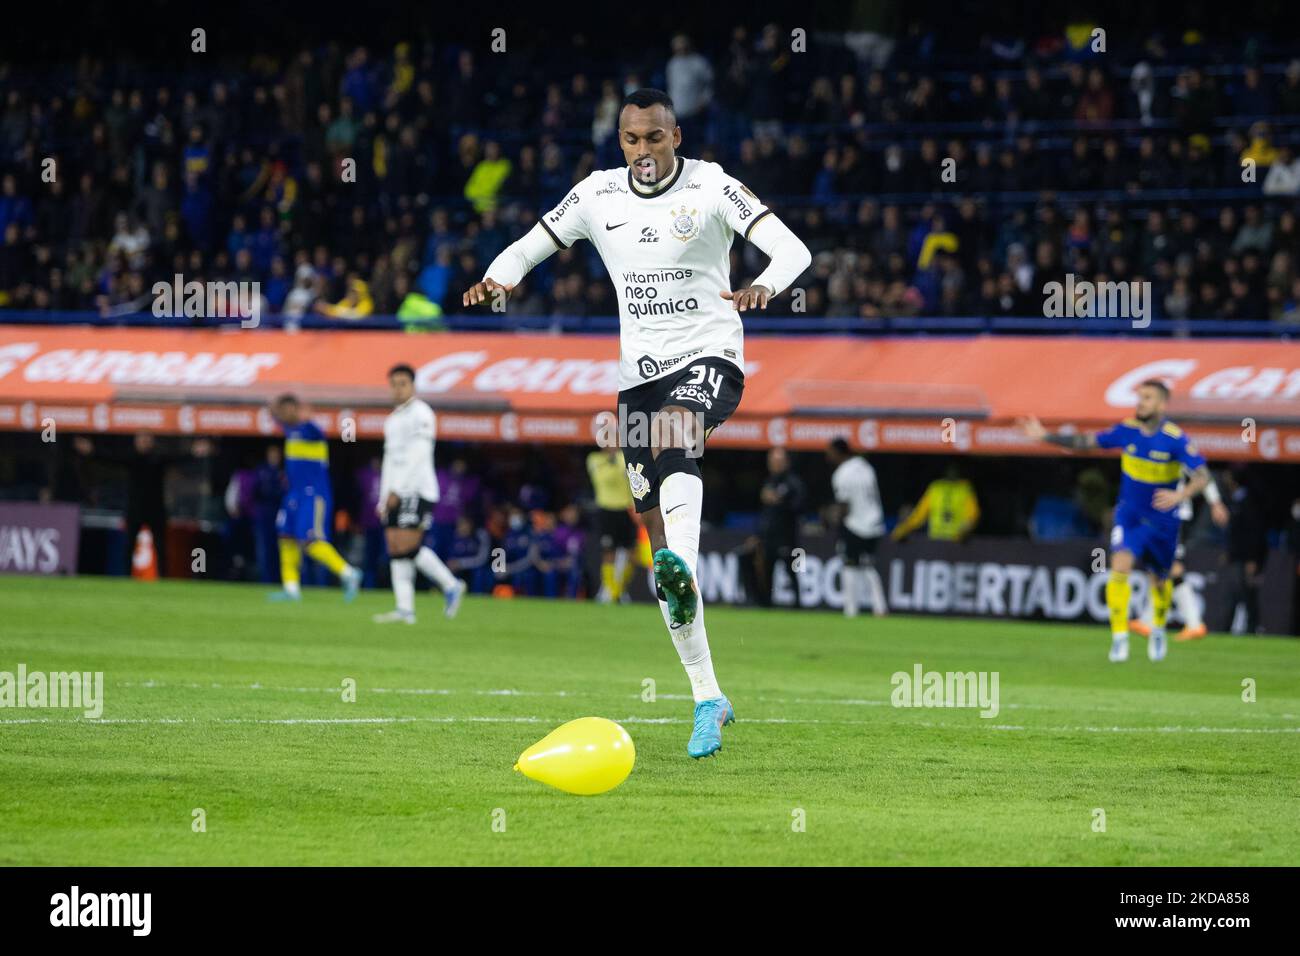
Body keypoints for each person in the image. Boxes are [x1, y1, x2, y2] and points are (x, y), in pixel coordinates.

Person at [464, 87, 811, 758]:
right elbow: (530, 245)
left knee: (679, 435)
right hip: (636, 382)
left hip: (710, 353)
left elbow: (792, 250)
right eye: (631, 139)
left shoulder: (713, 187)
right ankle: (707, 694)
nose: (643, 150)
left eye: (654, 137)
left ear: (675, 136)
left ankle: (684, 552)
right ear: (618, 142)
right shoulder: (597, 196)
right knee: (652, 537)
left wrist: (767, 283)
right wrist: (497, 279)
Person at [1019, 379, 1211, 662]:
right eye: (1139, 397)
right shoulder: (1127, 431)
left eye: (1147, 398)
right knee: (1119, 567)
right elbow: (1087, 442)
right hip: (1130, 515)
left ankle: (1157, 629)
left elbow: (1203, 475)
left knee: (1159, 579)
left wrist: (1181, 495)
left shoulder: (1174, 438)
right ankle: (1119, 638)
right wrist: (1046, 437)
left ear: (1161, 404)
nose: (1140, 402)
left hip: (1162, 520)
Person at [372, 364, 466, 624]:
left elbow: (419, 455)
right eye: (394, 383)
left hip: (418, 488)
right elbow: (390, 461)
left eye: (403, 383)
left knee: (407, 545)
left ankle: (450, 585)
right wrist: (384, 496)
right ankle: (405, 610)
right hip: (395, 491)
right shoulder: (392, 420)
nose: (398, 388)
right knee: (394, 546)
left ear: (413, 386)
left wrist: (399, 491)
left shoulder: (422, 413)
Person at [266, 394, 362, 602]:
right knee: (286, 537)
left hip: (313, 495)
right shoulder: (289, 430)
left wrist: (306, 417)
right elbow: (273, 415)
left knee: (310, 540)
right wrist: (277, 407)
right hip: (294, 495)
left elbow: (319, 432)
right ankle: (291, 589)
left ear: (296, 410)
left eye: (288, 409)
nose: (283, 414)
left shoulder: (310, 430)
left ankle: (348, 573)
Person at [1129, 465, 1229, 641]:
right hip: (1157, 515)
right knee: (1160, 566)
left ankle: (1193, 623)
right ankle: (1150, 620)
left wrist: (1215, 503)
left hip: (1174, 515)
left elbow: (1202, 474)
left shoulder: (1174, 444)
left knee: (1171, 566)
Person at [827, 438, 888, 617]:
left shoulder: (842, 474)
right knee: (868, 566)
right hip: (875, 523)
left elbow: (844, 508)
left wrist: (831, 519)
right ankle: (880, 608)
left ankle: (851, 609)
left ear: (839, 452)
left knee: (849, 566)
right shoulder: (866, 467)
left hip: (855, 525)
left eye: (829, 452)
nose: (828, 456)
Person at [1220, 468, 1268, 634]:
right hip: (1237, 556)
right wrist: (1229, 551)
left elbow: (1253, 533)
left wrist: (1252, 559)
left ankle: (1253, 627)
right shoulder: (1235, 500)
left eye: (1227, 477)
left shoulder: (1249, 502)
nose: (1223, 480)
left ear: (1234, 481)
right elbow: (1235, 532)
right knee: (1234, 592)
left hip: (1246, 557)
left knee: (1247, 593)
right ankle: (1228, 627)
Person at [757, 447, 806, 607]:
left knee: (792, 571)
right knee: (767, 571)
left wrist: (779, 501)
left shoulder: (794, 483)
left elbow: (799, 507)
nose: (774, 465)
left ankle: (798, 604)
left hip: (788, 536)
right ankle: (766, 604)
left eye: (777, 461)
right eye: (771, 462)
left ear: (786, 462)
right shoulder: (769, 482)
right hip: (769, 536)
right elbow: (765, 513)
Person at [586, 447, 637, 603]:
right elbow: (604, 478)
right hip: (607, 509)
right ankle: (610, 591)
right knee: (609, 552)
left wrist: (616, 462)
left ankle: (620, 589)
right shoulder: (594, 458)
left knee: (631, 553)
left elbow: (628, 472)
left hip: (627, 509)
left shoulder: (623, 456)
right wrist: (613, 464)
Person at [890, 463, 980, 543]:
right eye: (950, 469)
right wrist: (904, 528)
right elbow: (919, 515)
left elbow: (972, 516)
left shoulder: (964, 488)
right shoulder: (935, 487)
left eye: (954, 469)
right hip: (936, 539)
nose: (952, 472)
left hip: (956, 540)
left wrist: (964, 531)